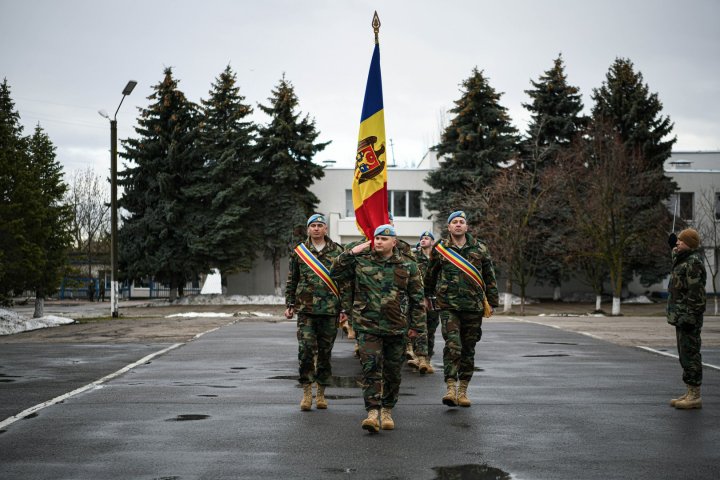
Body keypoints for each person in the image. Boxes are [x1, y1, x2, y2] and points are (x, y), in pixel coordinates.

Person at [331, 224, 426, 433]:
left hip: (397, 327)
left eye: (384, 238)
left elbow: (417, 300)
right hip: (367, 326)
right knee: (370, 369)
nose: (379, 241)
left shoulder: (408, 266)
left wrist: (416, 328)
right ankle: (372, 412)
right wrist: (352, 252)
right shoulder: (361, 261)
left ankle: (387, 410)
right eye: (377, 238)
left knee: (393, 372)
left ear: (394, 242)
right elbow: (334, 271)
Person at [424, 211, 499, 407]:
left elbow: (489, 277)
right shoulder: (440, 248)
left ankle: (463, 390)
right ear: (449, 227)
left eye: (461, 222)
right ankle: (450, 388)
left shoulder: (480, 248)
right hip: (448, 306)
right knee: (453, 345)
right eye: (454, 222)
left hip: (473, 307)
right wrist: (426, 296)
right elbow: (430, 275)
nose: (458, 224)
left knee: (468, 348)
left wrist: (492, 302)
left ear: (466, 227)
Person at [285, 214, 346, 411]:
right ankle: (306, 392)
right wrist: (290, 303)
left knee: (325, 353)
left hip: (329, 310)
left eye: (320, 225)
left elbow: (344, 282)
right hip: (306, 310)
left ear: (326, 229)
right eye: (313, 226)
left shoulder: (338, 251)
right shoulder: (300, 252)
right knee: (305, 351)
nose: (317, 229)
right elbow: (292, 279)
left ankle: (321, 392)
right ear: (308, 229)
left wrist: (344, 308)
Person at [667, 228, 707, 409]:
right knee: (684, 355)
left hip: (689, 317)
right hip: (681, 316)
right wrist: (672, 247)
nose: (677, 243)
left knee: (691, 354)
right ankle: (689, 391)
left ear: (689, 243)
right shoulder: (684, 260)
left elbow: (696, 293)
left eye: (680, 241)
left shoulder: (694, 263)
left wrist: (690, 315)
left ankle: (695, 395)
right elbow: (677, 261)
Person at [409, 231, 438, 374]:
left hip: (433, 299)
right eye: (422, 238)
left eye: (427, 238)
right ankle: (420, 358)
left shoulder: (437, 258)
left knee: (431, 330)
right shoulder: (414, 258)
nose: (423, 240)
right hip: (418, 298)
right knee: (419, 328)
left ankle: (428, 360)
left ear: (432, 242)